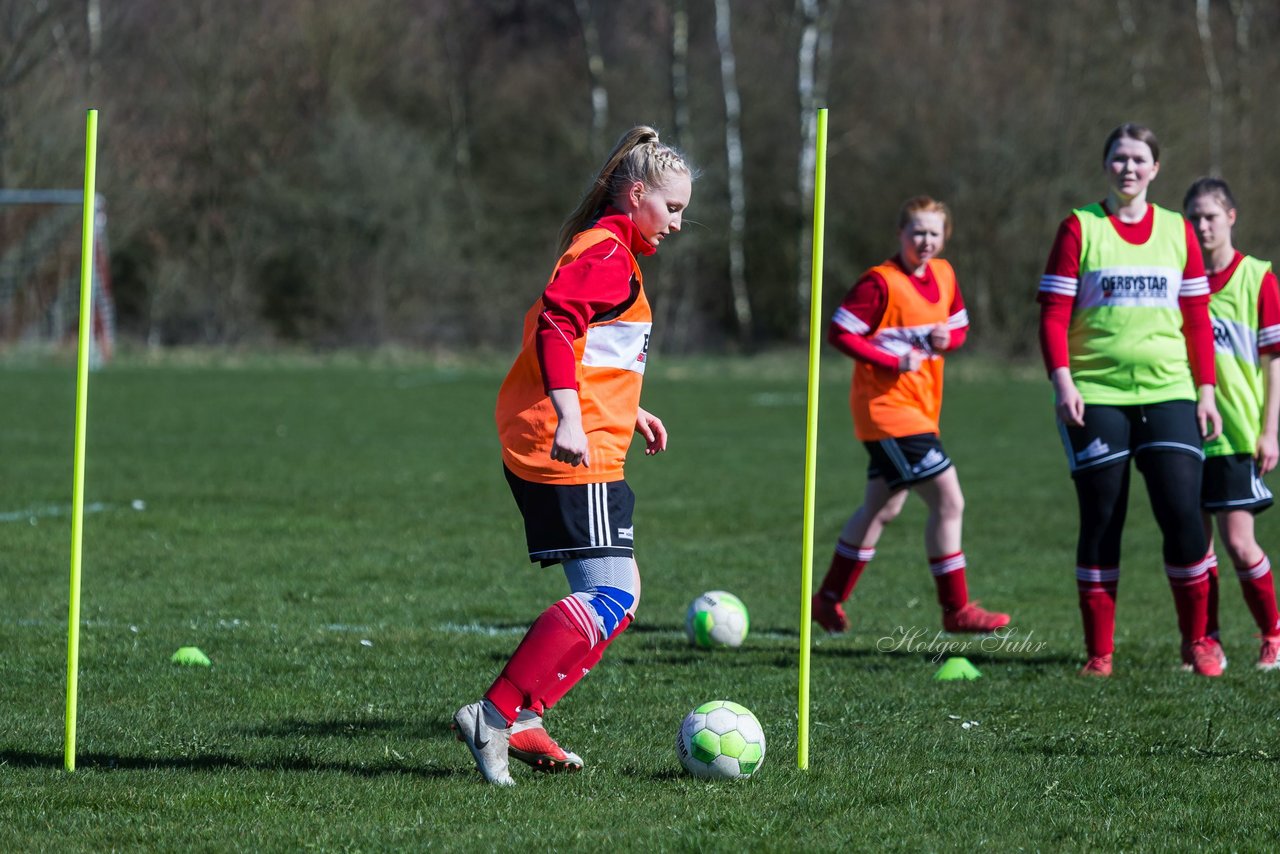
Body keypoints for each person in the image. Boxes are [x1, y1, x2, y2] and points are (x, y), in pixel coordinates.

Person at [452, 126, 692, 785]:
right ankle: (495, 715)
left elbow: (591, 346)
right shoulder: (607, 252)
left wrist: (626, 409)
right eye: (672, 209)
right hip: (565, 445)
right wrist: (569, 415)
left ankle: (526, 717)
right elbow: (557, 325)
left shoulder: (614, 251)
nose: (677, 224)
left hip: (586, 436)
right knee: (610, 596)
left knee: (622, 596)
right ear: (638, 193)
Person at [1038, 123, 1223, 678]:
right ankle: (1100, 653)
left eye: (1138, 159)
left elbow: (1196, 319)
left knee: (1183, 515)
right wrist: (1064, 381)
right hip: (1095, 395)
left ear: (1155, 168)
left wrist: (1206, 391)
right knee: (1102, 518)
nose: (1128, 168)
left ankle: (1198, 642)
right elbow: (1052, 314)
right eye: (1119, 158)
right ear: (1106, 165)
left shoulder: (1177, 231)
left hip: (1170, 391)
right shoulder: (1080, 228)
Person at [812, 195, 1011, 639]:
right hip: (888, 413)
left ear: (945, 237)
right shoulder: (880, 283)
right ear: (901, 233)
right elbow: (839, 332)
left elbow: (959, 326)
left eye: (934, 233)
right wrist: (887, 360)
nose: (925, 240)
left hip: (921, 409)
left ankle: (827, 599)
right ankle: (955, 609)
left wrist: (949, 338)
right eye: (917, 231)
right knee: (949, 500)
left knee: (882, 507)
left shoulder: (944, 274)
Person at [1183, 177, 1280, 670]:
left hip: (1238, 431)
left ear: (1231, 218)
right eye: (1194, 217)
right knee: (1194, 547)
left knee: (1239, 543)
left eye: (1211, 216)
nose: (1202, 226)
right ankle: (1207, 642)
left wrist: (1270, 431)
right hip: (1183, 431)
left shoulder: (1257, 277)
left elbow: (1273, 361)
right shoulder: (1180, 281)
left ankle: (1273, 634)